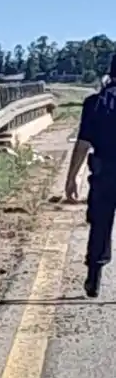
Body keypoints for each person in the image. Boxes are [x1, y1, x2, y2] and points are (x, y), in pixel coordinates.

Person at [65, 54, 116, 297]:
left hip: (104, 174)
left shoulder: (94, 103)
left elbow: (83, 143)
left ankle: (94, 277)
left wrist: (72, 177)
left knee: (100, 225)